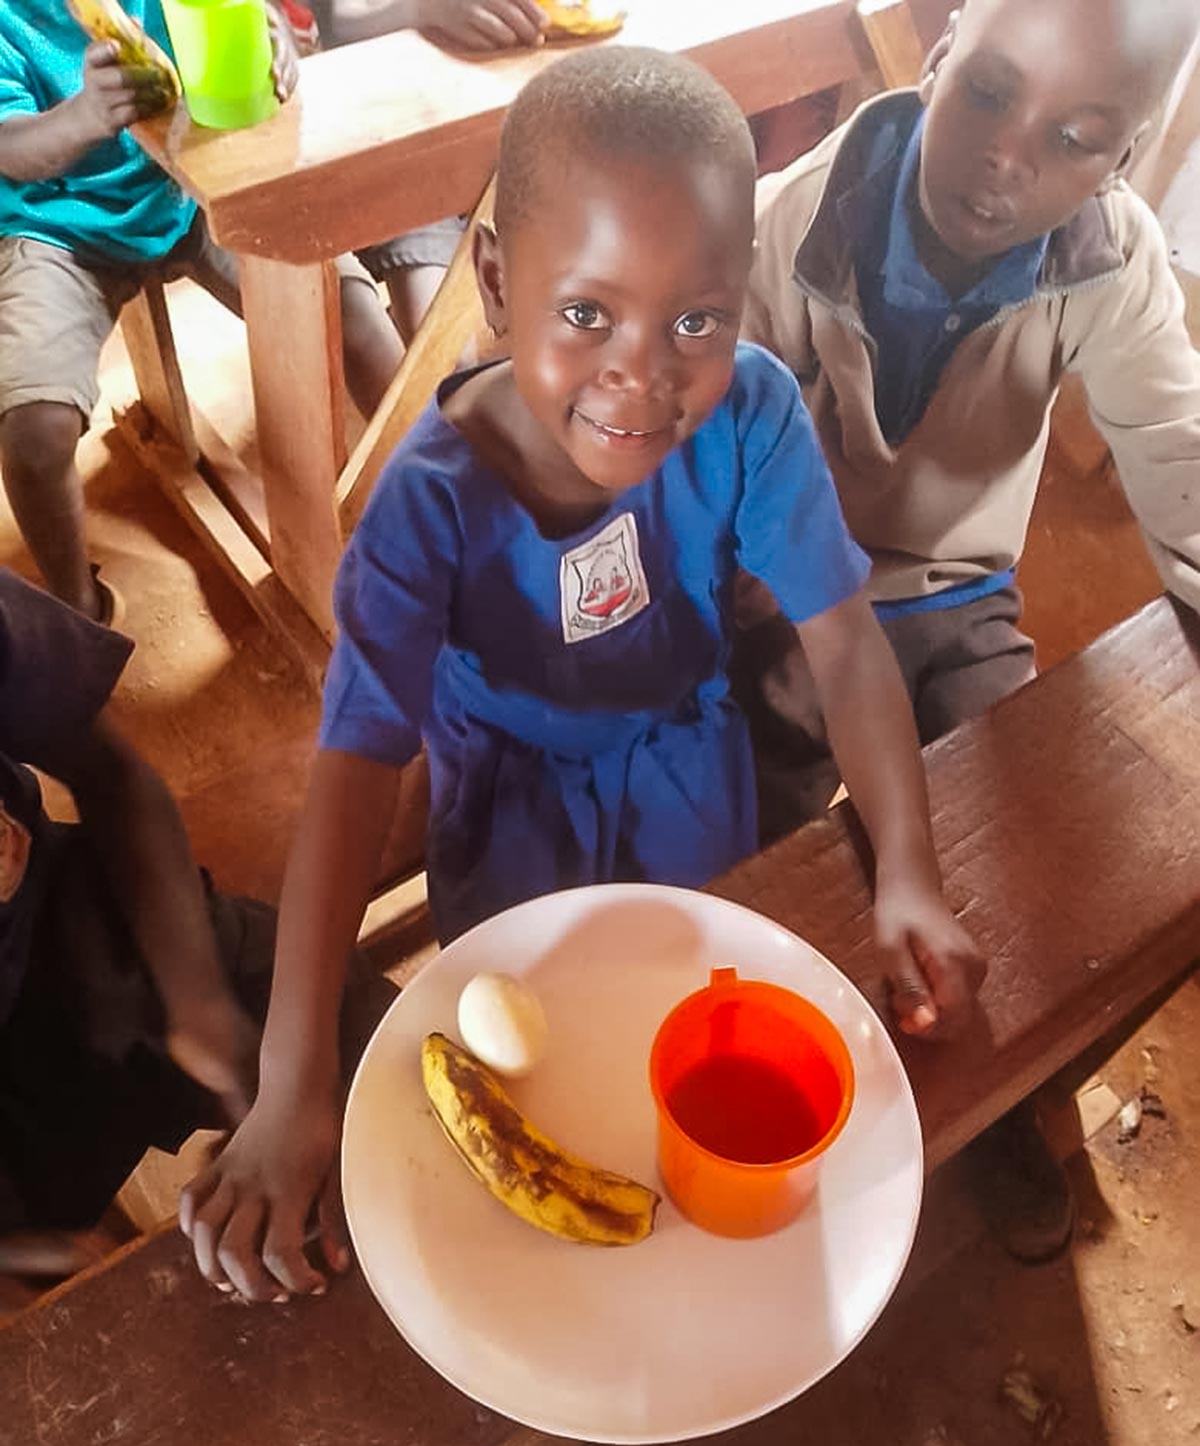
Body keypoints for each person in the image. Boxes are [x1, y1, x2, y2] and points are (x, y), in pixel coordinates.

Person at [179, 46, 985, 1302]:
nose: (644, 373)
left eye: (698, 320)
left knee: (679, 1021)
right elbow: (352, 768)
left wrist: (914, 873)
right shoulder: (423, 511)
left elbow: (845, 639)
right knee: (526, 1052)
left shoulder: (752, 414)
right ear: (497, 282)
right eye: (588, 312)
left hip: (684, 757)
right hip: (506, 796)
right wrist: (294, 1087)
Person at [739, 0, 1200, 1260]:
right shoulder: (798, 217)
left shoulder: (1111, 259)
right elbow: (723, 454)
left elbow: (1178, 457)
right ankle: (775, 1092)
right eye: (990, 93)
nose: (1008, 156)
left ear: (1122, 157)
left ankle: (989, 1093)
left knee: (1022, 840)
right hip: (791, 594)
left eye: (1074, 137)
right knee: (763, 850)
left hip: (953, 593)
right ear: (936, 59)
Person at [0, 568, 393, 1270]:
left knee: (373, 1049)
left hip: (80, 931)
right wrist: (23, 1258)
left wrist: (203, 1004)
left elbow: (110, 773)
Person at [0, 0, 402, 621]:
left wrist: (275, 51)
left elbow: (250, 25)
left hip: (192, 183)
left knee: (350, 310)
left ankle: (438, 502)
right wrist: (81, 117)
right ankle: (79, 610)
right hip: (60, 226)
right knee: (34, 432)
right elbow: (12, 147)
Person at [308, 0, 550, 343]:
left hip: (484, 121)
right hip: (391, 144)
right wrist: (419, 10)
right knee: (433, 351)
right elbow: (336, 23)